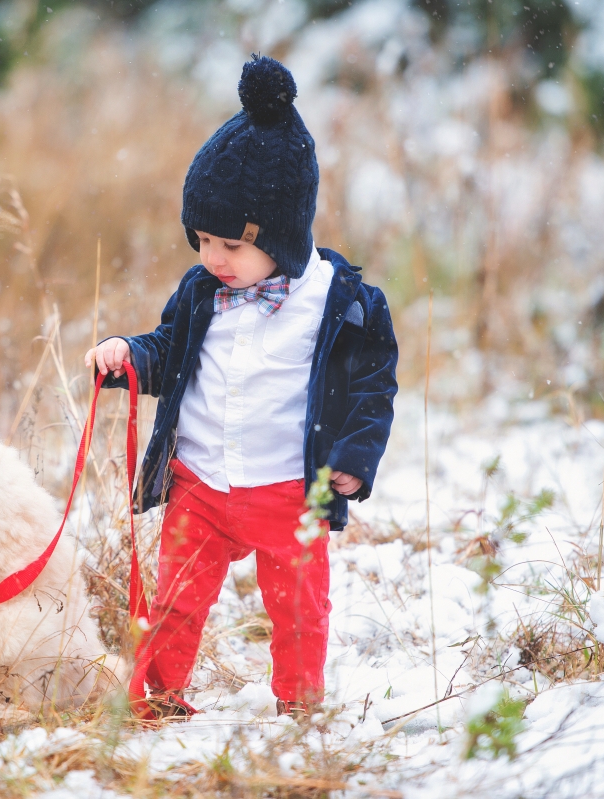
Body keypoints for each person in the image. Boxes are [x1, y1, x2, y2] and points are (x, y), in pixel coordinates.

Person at [85, 54, 398, 719]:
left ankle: (299, 705)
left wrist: (354, 458)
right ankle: (163, 695)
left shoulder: (341, 304)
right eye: (200, 239)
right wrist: (130, 357)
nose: (211, 258)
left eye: (228, 243)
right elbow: (170, 352)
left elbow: (373, 386)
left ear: (280, 236)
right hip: (201, 482)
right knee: (175, 598)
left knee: (298, 607)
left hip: (289, 487)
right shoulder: (203, 291)